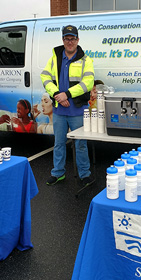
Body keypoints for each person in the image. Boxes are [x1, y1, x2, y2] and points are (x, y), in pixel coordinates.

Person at [40, 25, 95, 186]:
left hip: (77, 110)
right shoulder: (55, 58)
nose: (69, 42)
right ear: (63, 40)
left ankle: (84, 174)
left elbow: (88, 82)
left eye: (72, 38)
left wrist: (67, 94)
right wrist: (57, 94)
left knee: (81, 145)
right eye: (66, 38)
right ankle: (58, 173)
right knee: (58, 143)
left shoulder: (86, 60)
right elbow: (45, 78)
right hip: (59, 109)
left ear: (77, 40)